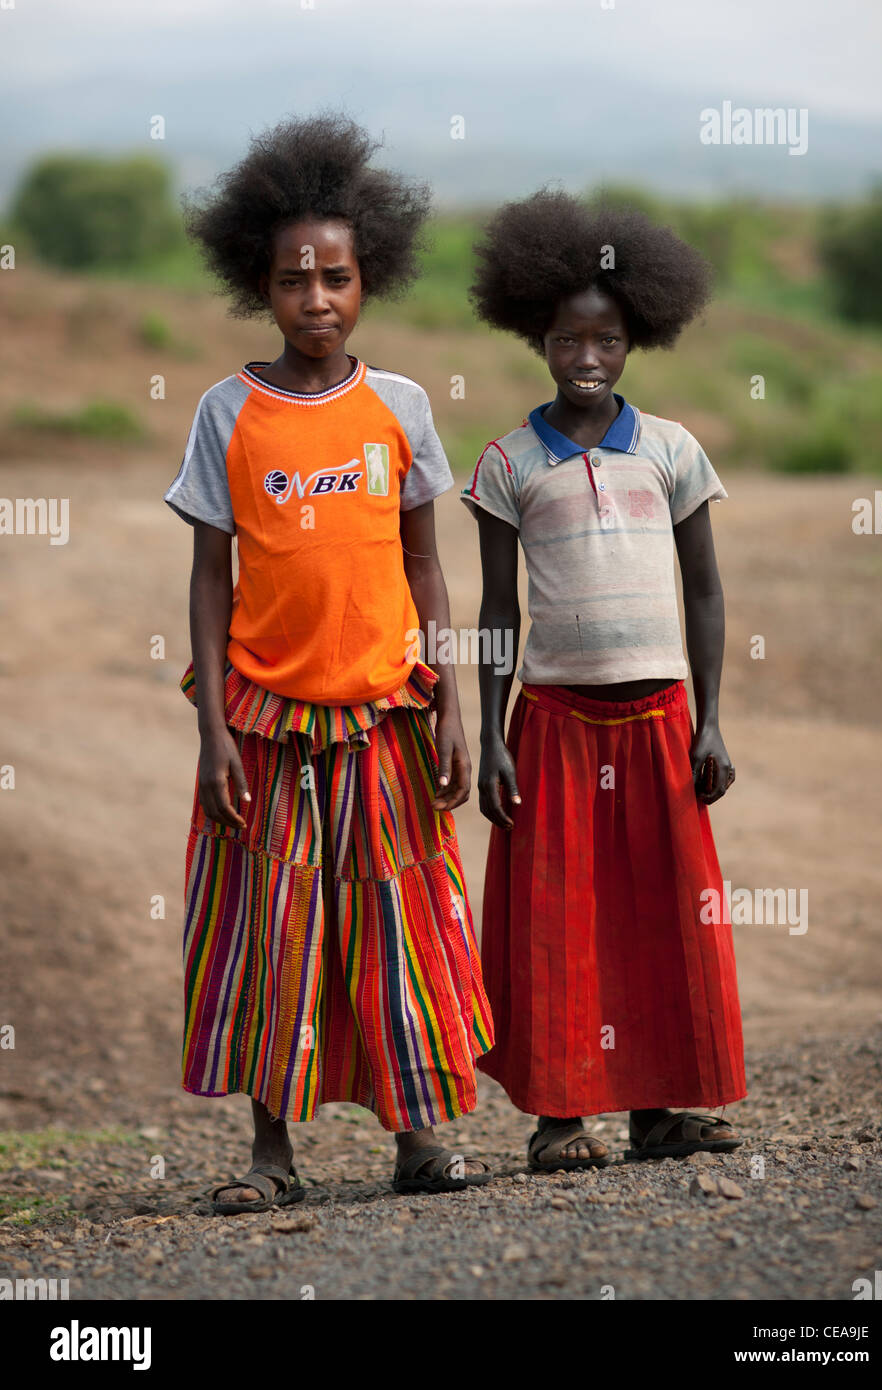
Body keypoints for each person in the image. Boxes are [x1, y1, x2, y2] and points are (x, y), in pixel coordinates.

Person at [163, 114, 494, 1210]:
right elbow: (211, 580)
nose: (317, 300)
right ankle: (270, 1157)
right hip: (265, 718)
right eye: (293, 280)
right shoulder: (226, 413)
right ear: (258, 285)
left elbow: (428, 568)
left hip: (386, 713)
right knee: (273, 925)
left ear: (370, 281)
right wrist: (212, 725)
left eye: (337, 278)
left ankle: (417, 1141)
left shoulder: (397, 409)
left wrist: (449, 700)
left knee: (396, 919)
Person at [460, 190, 746, 1171]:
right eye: (568, 339)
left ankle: (662, 1109)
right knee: (556, 922)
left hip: (660, 717)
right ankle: (560, 1115)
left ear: (636, 341)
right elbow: (498, 612)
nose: (587, 358)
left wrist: (711, 721)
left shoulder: (671, 449)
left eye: (608, 341)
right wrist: (492, 734)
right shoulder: (506, 464)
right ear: (536, 336)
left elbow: (703, 592)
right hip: (553, 720)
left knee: (666, 910)